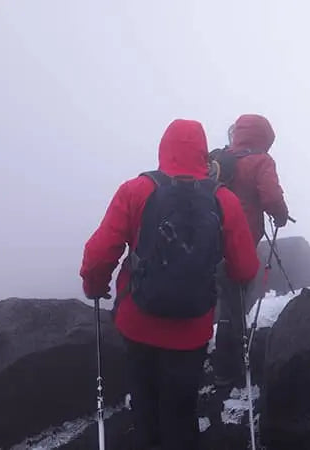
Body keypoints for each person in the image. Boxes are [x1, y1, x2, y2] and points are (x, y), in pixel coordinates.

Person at [80, 119, 260, 450]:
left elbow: (98, 252)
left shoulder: (136, 190)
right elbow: (246, 267)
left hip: (138, 322)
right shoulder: (224, 200)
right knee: (180, 408)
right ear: (204, 154)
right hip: (191, 330)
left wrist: (94, 285)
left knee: (145, 403)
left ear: (163, 148)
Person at [212, 113, 290, 386]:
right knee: (236, 300)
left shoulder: (221, 160)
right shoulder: (261, 160)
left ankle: (210, 359)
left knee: (219, 296)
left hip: (210, 238)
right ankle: (229, 365)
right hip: (241, 239)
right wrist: (280, 216)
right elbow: (271, 197)